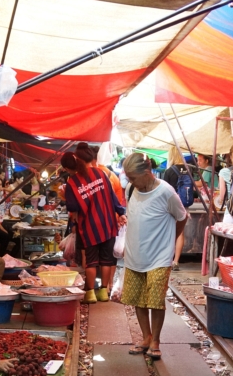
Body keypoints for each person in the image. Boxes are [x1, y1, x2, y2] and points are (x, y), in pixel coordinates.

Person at [121, 153, 187, 359]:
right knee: (138, 300)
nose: (130, 182)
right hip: (134, 255)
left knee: (156, 300)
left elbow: (182, 217)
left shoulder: (166, 192)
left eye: (133, 177)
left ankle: (156, 340)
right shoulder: (130, 189)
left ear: (147, 172)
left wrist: (172, 239)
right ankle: (145, 337)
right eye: (129, 178)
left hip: (159, 256)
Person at [62, 144, 127, 303]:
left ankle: (90, 294)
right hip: (107, 224)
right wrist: (121, 213)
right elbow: (113, 198)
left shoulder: (72, 182)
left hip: (89, 227)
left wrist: (65, 196)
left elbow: (73, 207)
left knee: (91, 261)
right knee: (106, 260)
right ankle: (103, 292)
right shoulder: (102, 173)